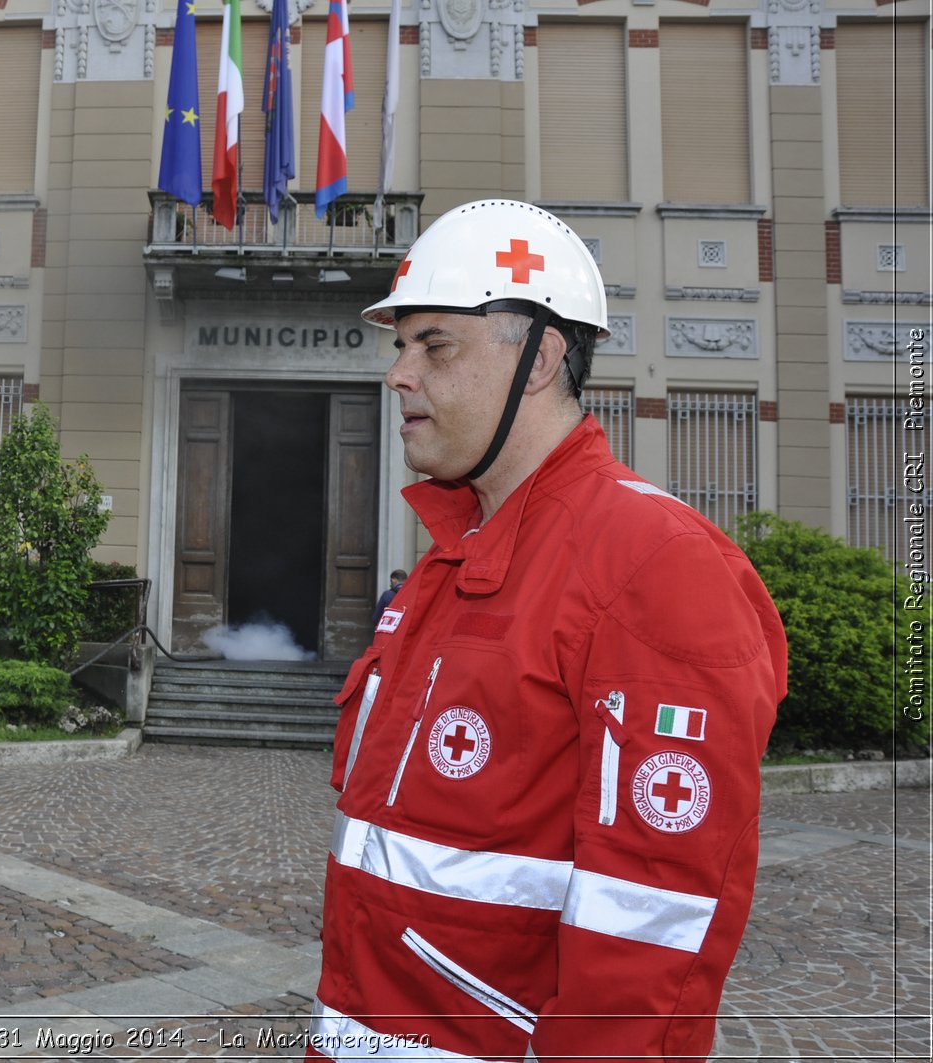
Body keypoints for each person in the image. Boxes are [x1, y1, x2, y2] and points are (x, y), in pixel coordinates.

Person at [314, 200, 787, 1062]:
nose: (398, 375)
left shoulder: (655, 567)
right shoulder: (446, 562)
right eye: (399, 345)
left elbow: (651, 926)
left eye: (435, 345)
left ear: (541, 358)